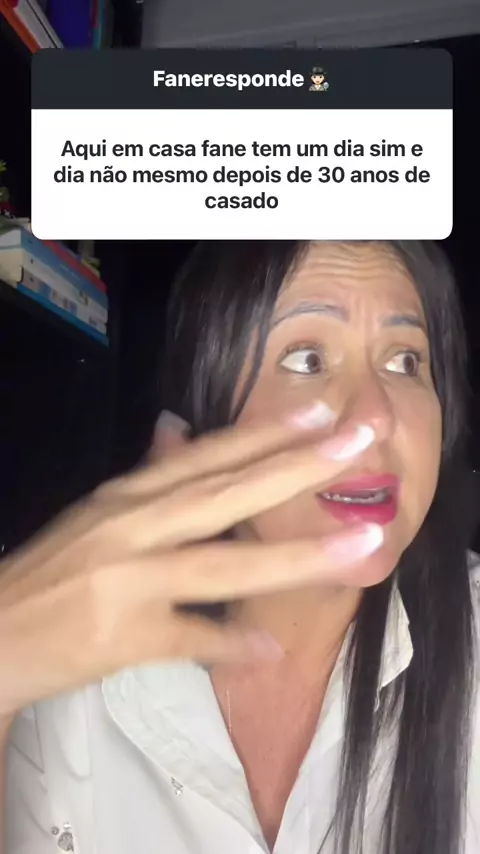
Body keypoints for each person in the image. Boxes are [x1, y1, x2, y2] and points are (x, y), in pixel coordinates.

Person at [1, 240, 479, 854]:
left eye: (406, 361)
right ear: (204, 411)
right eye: (307, 358)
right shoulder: (70, 682)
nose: (375, 417)